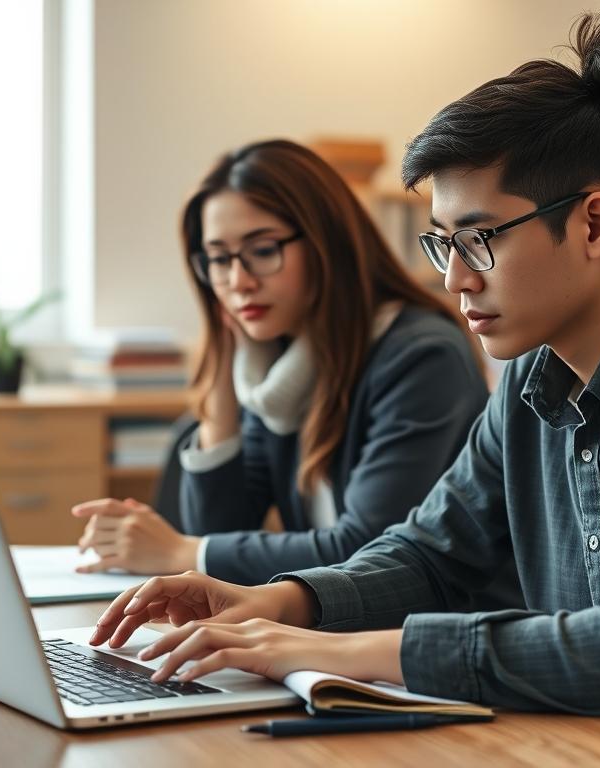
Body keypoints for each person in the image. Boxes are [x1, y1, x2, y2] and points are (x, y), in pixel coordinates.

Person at [86, 14, 600, 766]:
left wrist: (337, 653)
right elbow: (431, 554)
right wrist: (279, 602)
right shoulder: (532, 383)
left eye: (478, 239)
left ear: (595, 224)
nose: (457, 280)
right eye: (444, 245)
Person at [71, 139, 489, 586]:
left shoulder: (421, 356)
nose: (238, 281)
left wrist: (178, 551)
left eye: (264, 250)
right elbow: (223, 531)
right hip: (331, 634)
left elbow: (372, 548)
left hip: (423, 634)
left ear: (326, 243)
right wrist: (222, 384)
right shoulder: (280, 364)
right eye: (217, 259)